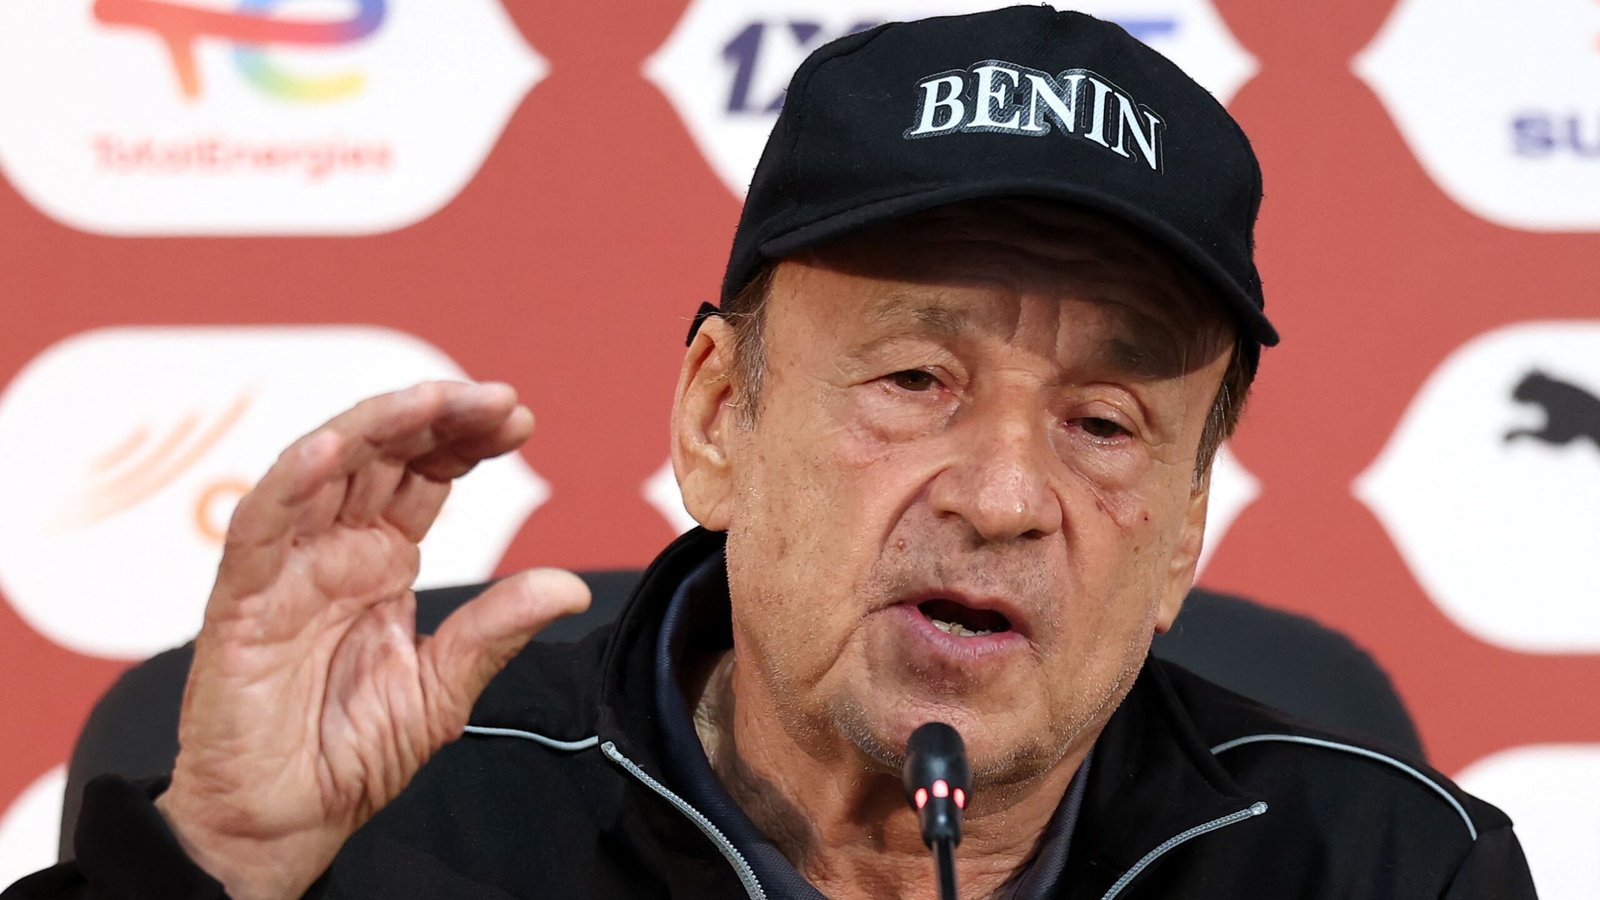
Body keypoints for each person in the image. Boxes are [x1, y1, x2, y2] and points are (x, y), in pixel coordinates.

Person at [5, 7, 1536, 899]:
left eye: (1104, 424)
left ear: (1188, 526)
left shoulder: (1393, 866)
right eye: (918, 378)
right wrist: (209, 875)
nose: (1004, 496)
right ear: (718, 417)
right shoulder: (393, 841)